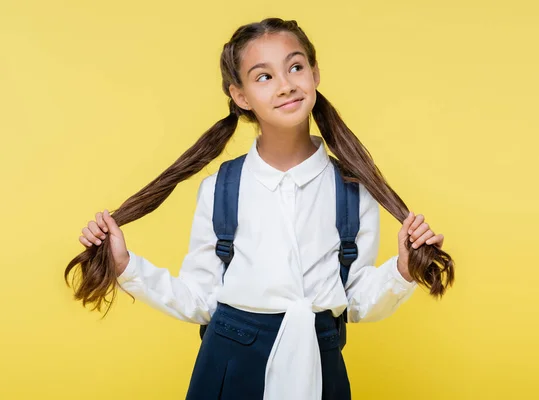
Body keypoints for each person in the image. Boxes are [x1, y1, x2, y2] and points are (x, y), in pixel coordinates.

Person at [68, 17, 454, 400]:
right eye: (264, 76)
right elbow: (201, 299)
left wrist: (402, 270)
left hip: (322, 364)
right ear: (240, 96)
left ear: (315, 74)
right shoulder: (220, 188)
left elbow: (354, 300)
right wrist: (125, 266)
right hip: (228, 366)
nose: (286, 85)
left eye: (295, 67)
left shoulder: (354, 190)